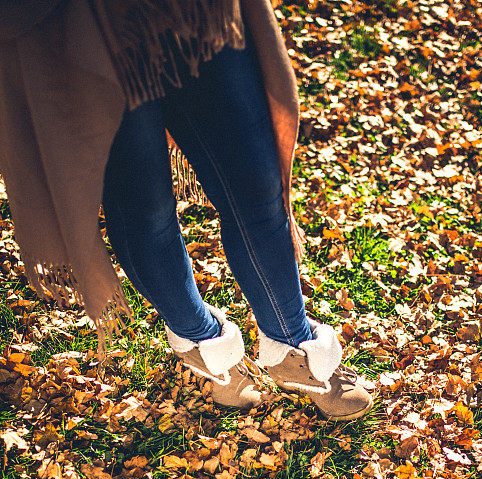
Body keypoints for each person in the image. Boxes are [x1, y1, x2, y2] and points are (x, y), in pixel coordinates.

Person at [0, 0, 373, 421]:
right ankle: (206, 346)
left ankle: (292, 344)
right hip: (82, 25)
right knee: (146, 208)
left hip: (192, 9)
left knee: (257, 183)